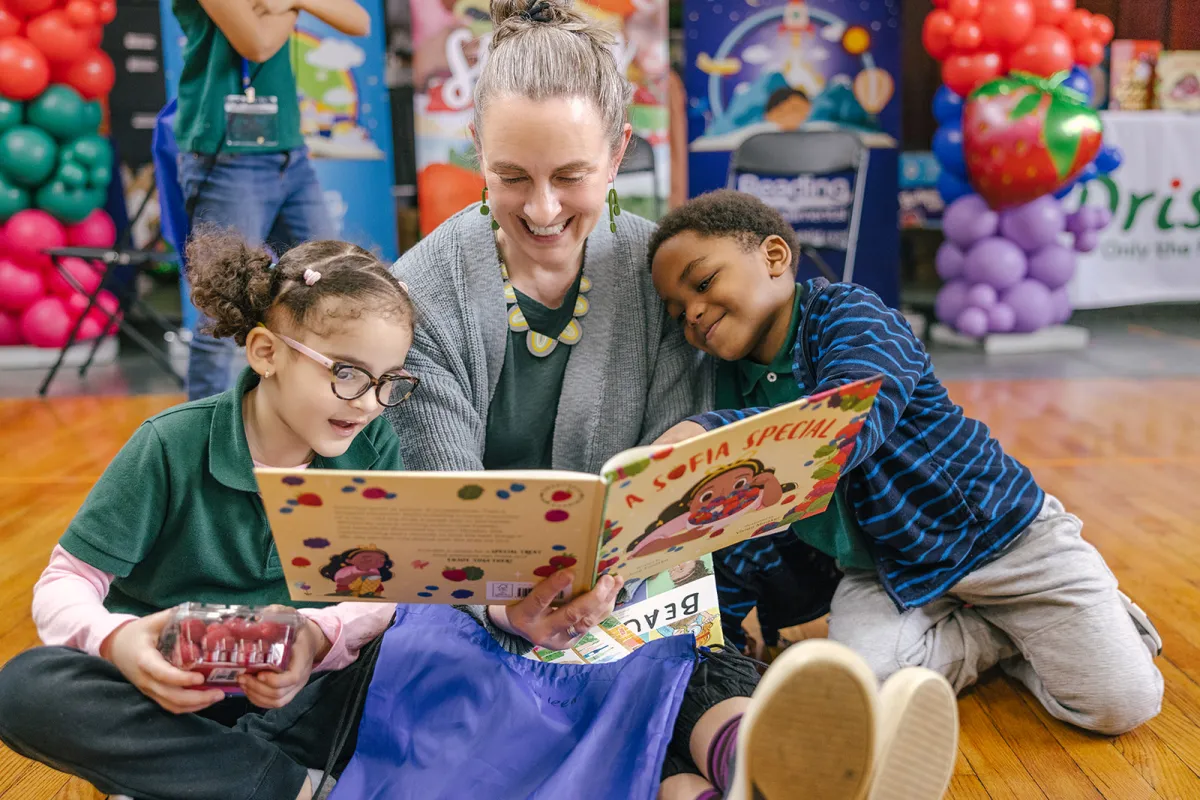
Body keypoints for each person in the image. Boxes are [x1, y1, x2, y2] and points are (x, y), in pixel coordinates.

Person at [381, 2, 958, 797]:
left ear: (618, 153)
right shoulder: (419, 294)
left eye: (571, 177)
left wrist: (617, 583)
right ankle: (702, 776)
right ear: (475, 148)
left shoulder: (664, 279)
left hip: (632, 587)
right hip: (480, 599)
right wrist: (514, 608)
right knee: (452, 669)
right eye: (512, 177)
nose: (543, 209)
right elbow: (451, 515)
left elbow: (676, 489)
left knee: (676, 650)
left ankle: (748, 759)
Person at [647, 189, 1165, 737]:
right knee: (859, 695)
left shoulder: (852, 315)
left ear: (774, 257)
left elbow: (843, 422)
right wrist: (716, 632)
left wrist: (711, 437)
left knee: (1120, 702)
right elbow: (742, 527)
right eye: (677, 312)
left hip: (1001, 538)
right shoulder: (726, 379)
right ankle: (1001, 636)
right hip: (887, 568)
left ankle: (1070, 618)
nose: (694, 313)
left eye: (702, 284)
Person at [0, 231, 417, 800]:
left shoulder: (373, 449)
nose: (370, 402)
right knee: (26, 688)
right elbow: (65, 584)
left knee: (419, 643)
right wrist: (119, 641)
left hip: (291, 698)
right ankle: (281, 785)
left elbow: (383, 593)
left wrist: (318, 639)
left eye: (388, 381)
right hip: (168, 693)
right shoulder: (172, 442)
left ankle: (200, 777)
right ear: (266, 353)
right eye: (346, 373)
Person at [174, 0, 369, 401]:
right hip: (226, 157)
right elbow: (257, 45)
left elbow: (360, 21)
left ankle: (322, 406)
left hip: (289, 155)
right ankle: (202, 445)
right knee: (222, 308)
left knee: (334, 281)